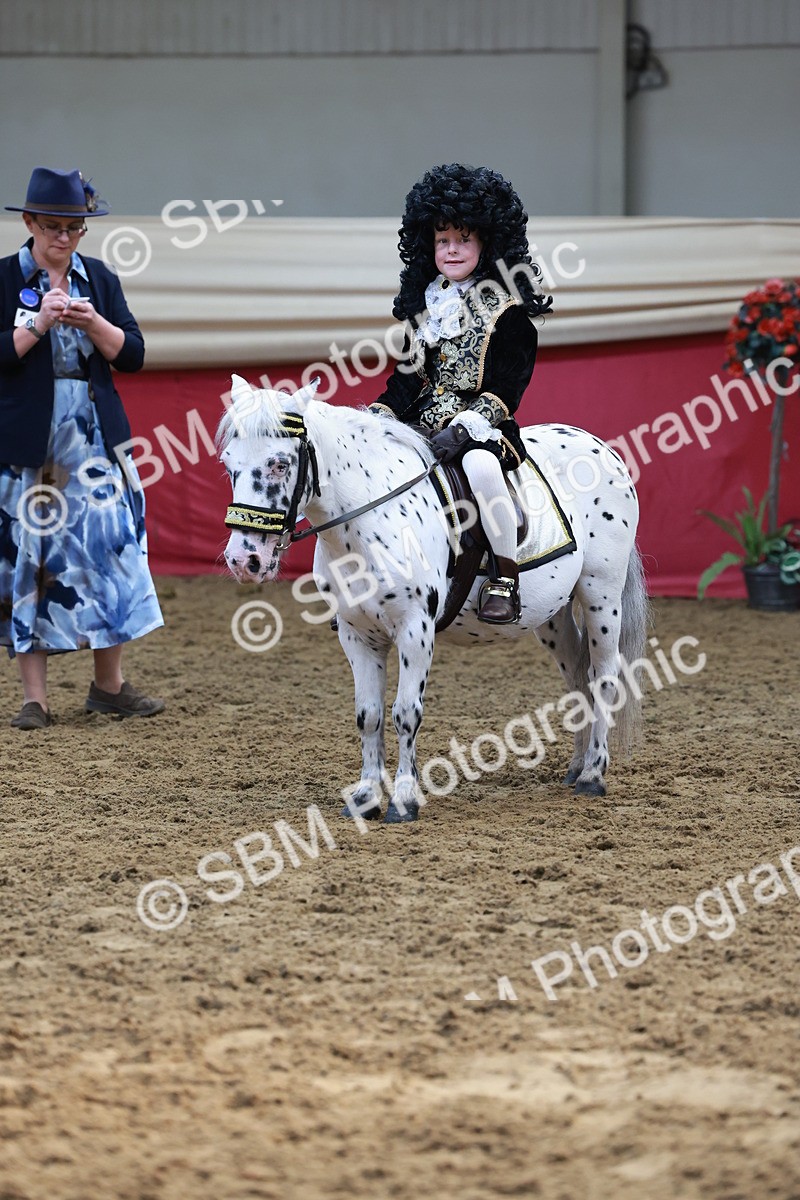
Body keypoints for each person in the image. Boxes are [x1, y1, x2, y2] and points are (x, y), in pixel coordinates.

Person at [0, 166, 164, 729]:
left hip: (94, 439)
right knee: (32, 559)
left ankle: (108, 686)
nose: (63, 238)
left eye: (73, 227)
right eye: (52, 226)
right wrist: (35, 327)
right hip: (28, 443)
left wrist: (96, 324)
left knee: (110, 550)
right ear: (28, 223)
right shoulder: (3, 279)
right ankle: (34, 699)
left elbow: (134, 353)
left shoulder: (99, 279)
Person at [369, 162, 552, 623]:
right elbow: (407, 381)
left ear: (486, 242)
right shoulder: (426, 306)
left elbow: (508, 389)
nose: (452, 250)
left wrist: (468, 426)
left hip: (484, 428)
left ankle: (504, 576)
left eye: (463, 240)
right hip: (424, 424)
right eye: (442, 240)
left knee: (480, 468)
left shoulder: (509, 314)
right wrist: (376, 417)